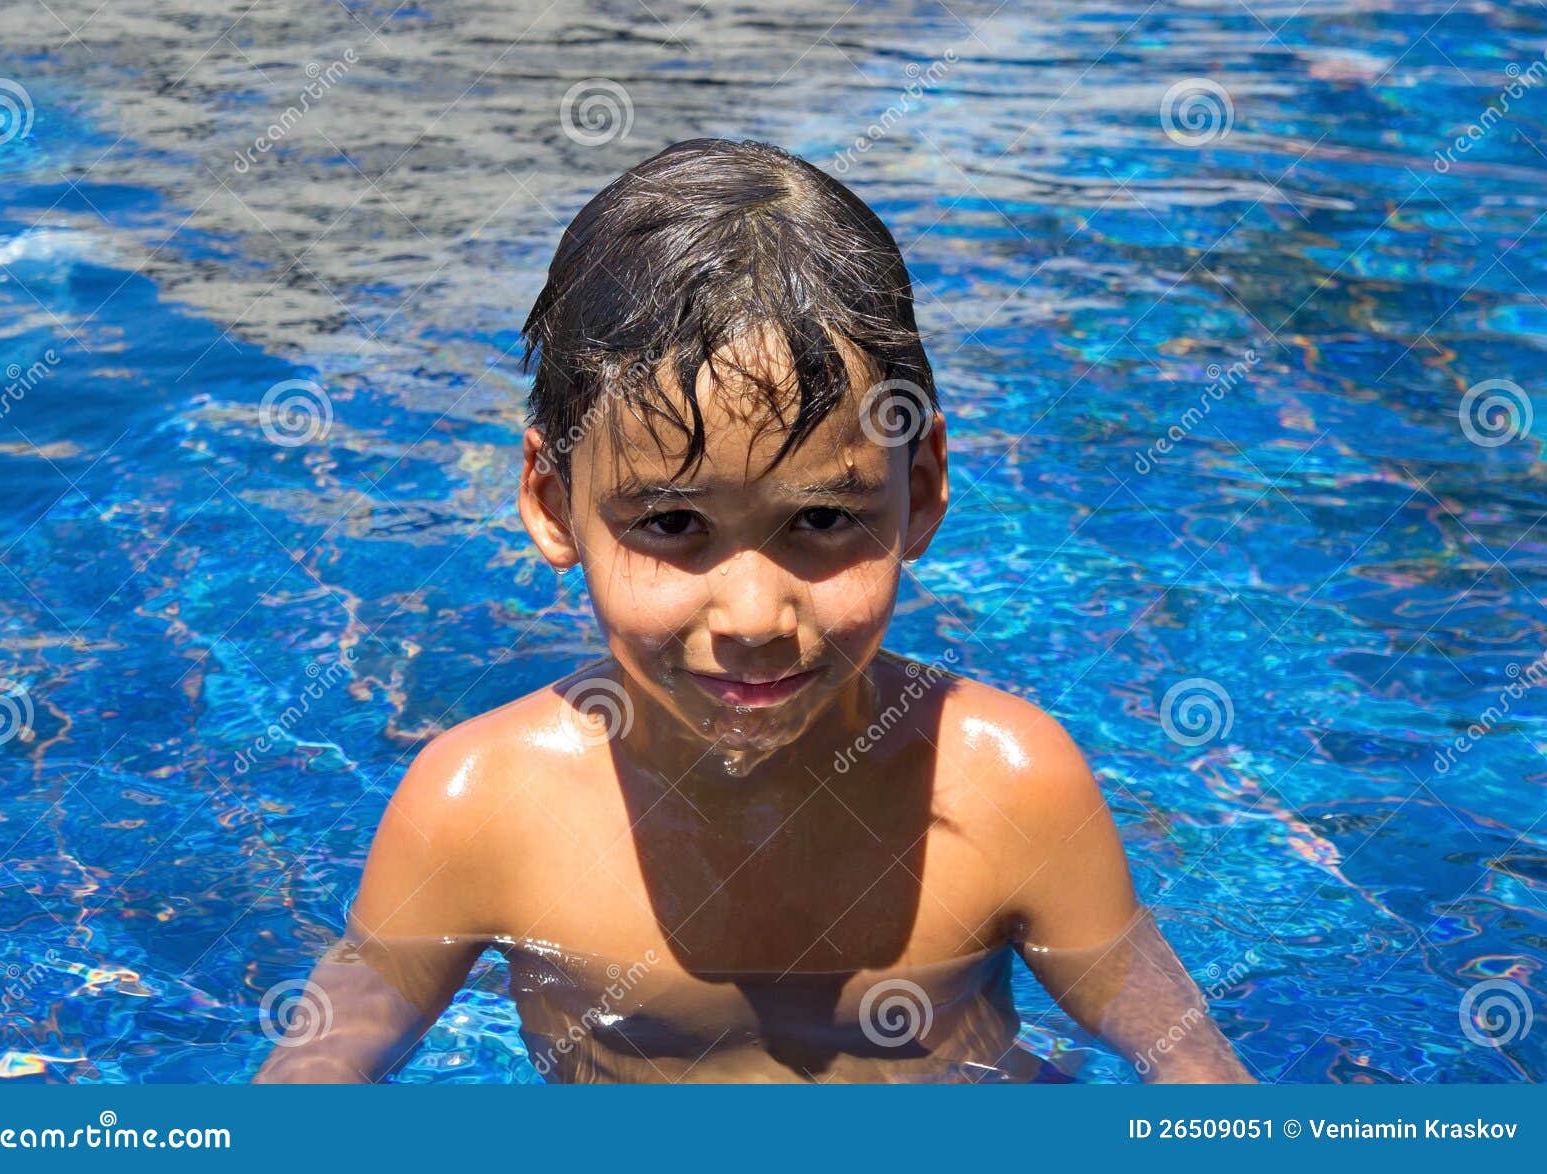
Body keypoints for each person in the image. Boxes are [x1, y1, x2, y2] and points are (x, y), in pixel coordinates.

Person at [254, 137, 1255, 1084]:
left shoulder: (1010, 787)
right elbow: (327, 1056)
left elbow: (1186, 1058)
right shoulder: (480, 809)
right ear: (556, 505)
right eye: (673, 524)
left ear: (925, 488)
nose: (753, 613)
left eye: (821, 517)